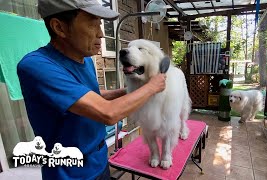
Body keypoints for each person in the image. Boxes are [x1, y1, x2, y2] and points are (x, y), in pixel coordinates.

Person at [17, 0, 166, 179]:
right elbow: (108, 113)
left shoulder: (85, 59)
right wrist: (152, 86)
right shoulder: (37, 66)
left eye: (100, 25)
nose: (101, 34)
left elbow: (89, 96)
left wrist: (128, 91)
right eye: (92, 25)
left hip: (99, 162)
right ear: (59, 28)